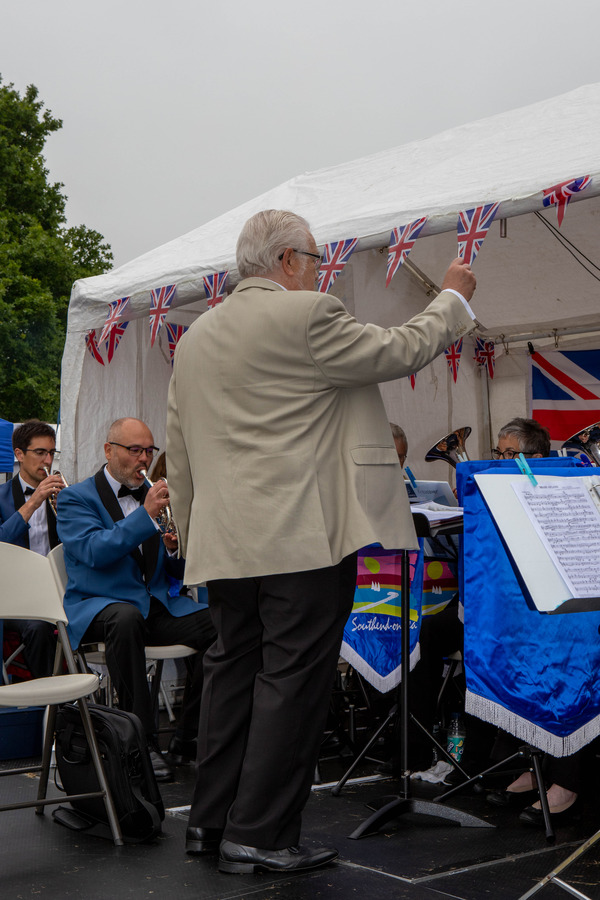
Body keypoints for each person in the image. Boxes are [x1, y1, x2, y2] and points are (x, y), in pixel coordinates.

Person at [167, 209, 477, 874]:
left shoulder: (194, 338)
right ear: (285, 261)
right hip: (301, 536)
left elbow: (180, 452)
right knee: (293, 683)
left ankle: (211, 820)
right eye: (315, 256)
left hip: (225, 542)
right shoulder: (307, 314)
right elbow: (398, 351)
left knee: (230, 677)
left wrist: (193, 539)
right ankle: (262, 834)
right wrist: (452, 298)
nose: (320, 268)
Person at [56, 417, 216, 782]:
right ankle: (140, 743)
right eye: (134, 450)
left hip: (152, 606)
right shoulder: (75, 498)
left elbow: (174, 573)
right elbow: (94, 551)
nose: (143, 459)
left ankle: (188, 736)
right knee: (125, 618)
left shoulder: (150, 500)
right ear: (109, 450)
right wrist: (145, 515)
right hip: (99, 605)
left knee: (222, 623)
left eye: (148, 450)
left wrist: (175, 551)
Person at [485, 416, 583, 824]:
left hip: (572, 615)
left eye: (512, 454)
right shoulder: (503, 495)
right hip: (529, 610)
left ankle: (569, 780)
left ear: (539, 457)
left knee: (567, 673)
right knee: (522, 669)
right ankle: (537, 766)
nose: (503, 461)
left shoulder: (563, 494)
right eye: (501, 453)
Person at [0, 419, 65, 677]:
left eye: (51, 453)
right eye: (40, 453)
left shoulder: (62, 494)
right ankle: (52, 707)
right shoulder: (1, 496)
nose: (47, 461)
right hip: (16, 596)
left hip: (59, 591)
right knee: (39, 626)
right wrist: (34, 502)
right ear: (19, 454)